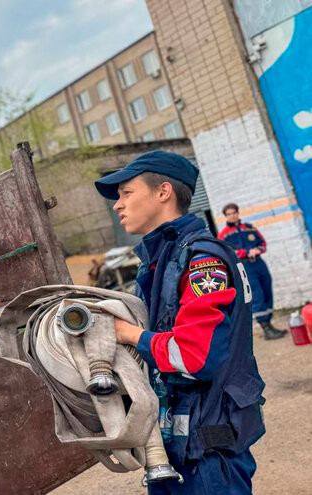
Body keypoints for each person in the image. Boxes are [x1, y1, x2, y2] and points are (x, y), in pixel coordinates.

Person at [94, 151, 265, 494]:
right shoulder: (159, 262)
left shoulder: (202, 261)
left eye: (127, 193)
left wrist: (130, 335)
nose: (118, 205)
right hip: (174, 449)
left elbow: (195, 356)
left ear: (163, 192)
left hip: (208, 453)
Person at [218, 203, 287, 340]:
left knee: (267, 291)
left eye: (234, 213)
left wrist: (258, 250)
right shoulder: (224, 235)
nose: (232, 216)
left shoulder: (249, 228)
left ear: (238, 213)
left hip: (259, 263)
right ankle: (266, 328)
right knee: (257, 294)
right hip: (245, 266)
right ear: (226, 216)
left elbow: (263, 243)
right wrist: (246, 252)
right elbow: (226, 253)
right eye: (229, 214)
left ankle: (269, 324)